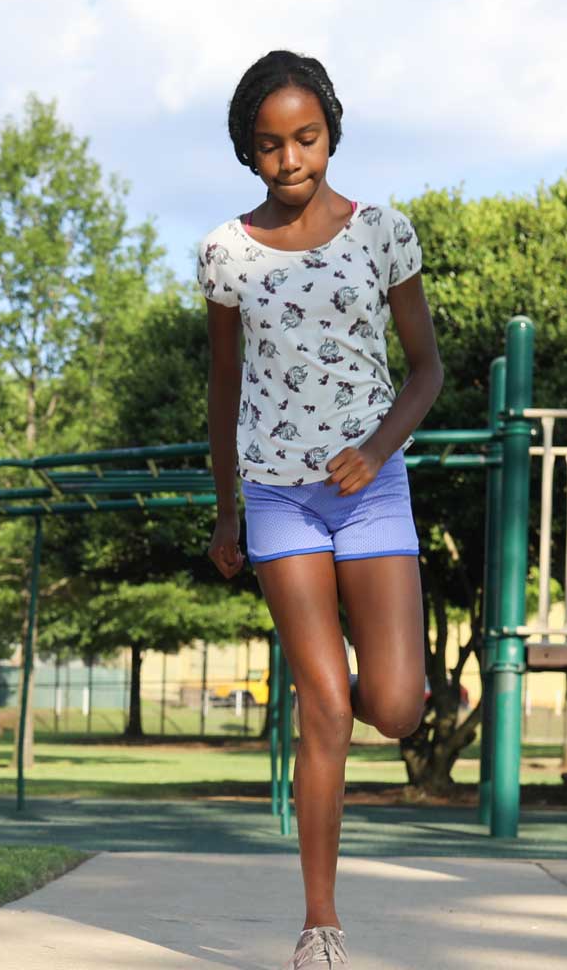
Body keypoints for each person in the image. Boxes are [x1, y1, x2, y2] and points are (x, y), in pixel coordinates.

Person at [198, 50, 442, 970]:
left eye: (305, 138)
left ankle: (412, 681)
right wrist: (226, 510)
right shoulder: (225, 251)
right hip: (276, 498)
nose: (290, 160)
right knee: (325, 705)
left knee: (395, 707)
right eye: (270, 146)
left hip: (369, 488)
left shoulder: (382, 232)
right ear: (248, 151)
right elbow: (224, 385)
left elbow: (427, 370)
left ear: (331, 132)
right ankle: (319, 923)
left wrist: (376, 450)